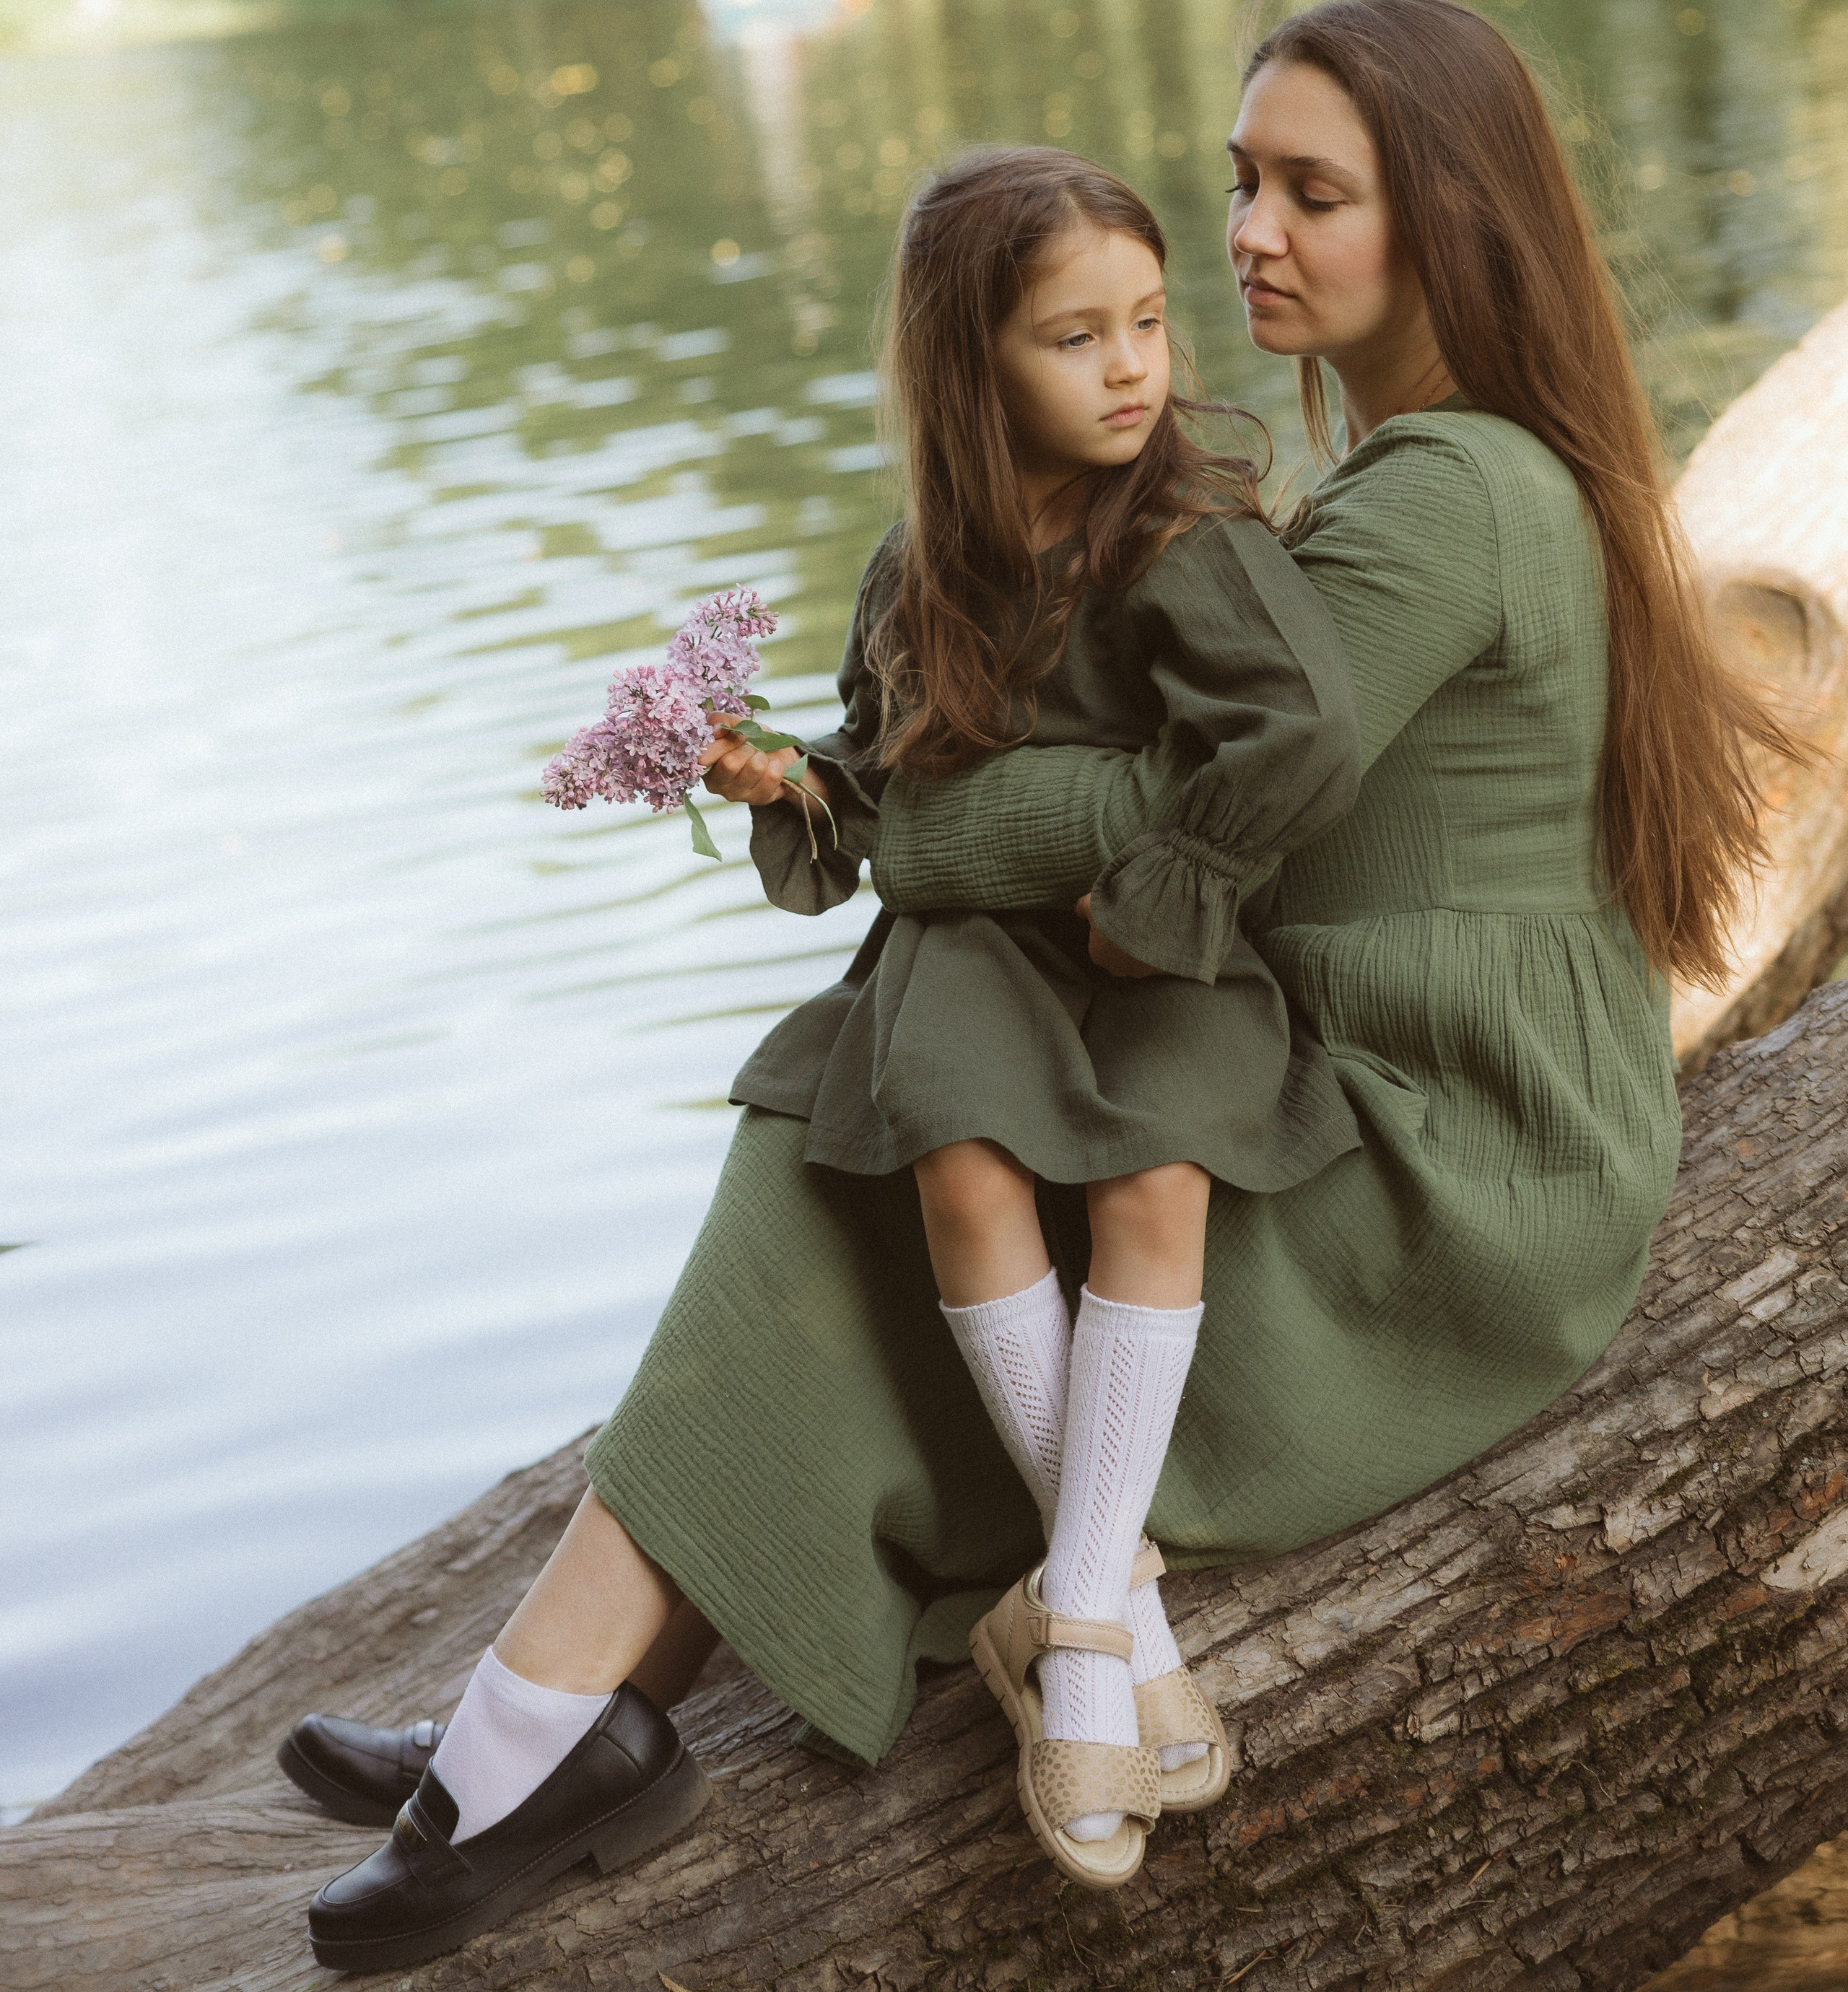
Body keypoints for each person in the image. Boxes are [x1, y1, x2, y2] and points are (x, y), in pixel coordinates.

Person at [290, 0, 1793, 1967]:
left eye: (1310, 192)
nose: (1247, 228)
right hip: (1390, 1081)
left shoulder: (1444, 501)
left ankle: (536, 1722)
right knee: (907, 1074)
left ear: (1447, 220)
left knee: (869, 1093)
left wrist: (893, 827)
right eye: (1245, 179)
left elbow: (1175, 791)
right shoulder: (1416, 474)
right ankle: (538, 1714)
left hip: (1457, 1171)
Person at [297, 147, 1364, 1966]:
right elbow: (889, 791)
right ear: (971, 368)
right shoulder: (922, 568)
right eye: (1070, 339)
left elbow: (1302, 727)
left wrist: (1171, 880)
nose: (1127, 368)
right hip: (977, 963)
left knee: (1155, 1166)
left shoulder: (1182, 533)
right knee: (941, 1149)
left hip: (1140, 942)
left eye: (1144, 322)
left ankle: (1073, 1618)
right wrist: (783, 780)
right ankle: (1098, 1636)